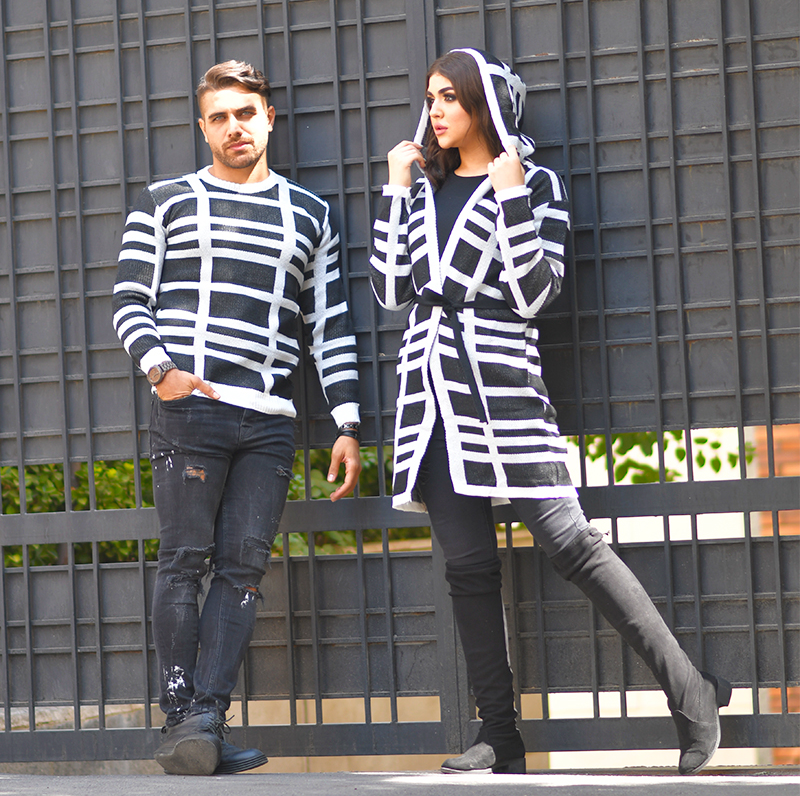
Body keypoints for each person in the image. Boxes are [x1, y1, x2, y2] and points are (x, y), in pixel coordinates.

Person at [369, 47, 730, 776]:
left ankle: (691, 693)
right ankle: (499, 735)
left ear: (487, 104)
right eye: (430, 97)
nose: (434, 110)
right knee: (469, 569)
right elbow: (390, 291)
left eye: (450, 97)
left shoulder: (536, 183)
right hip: (428, 397)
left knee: (573, 545)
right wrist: (394, 191)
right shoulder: (422, 187)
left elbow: (535, 294)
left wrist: (509, 198)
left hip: (503, 385)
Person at [112, 60, 362, 776]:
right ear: (203, 127)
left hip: (271, 419)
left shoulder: (310, 215)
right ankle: (182, 720)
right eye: (219, 117)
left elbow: (330, 324)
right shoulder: (165, 202)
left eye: (245, 113)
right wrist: (161, 373)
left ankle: (206, 724)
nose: (234, 127)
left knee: (243, 571)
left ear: (268, 117)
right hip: (191, 409)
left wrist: (346, 422)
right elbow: (129, 299)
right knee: (184, 562)